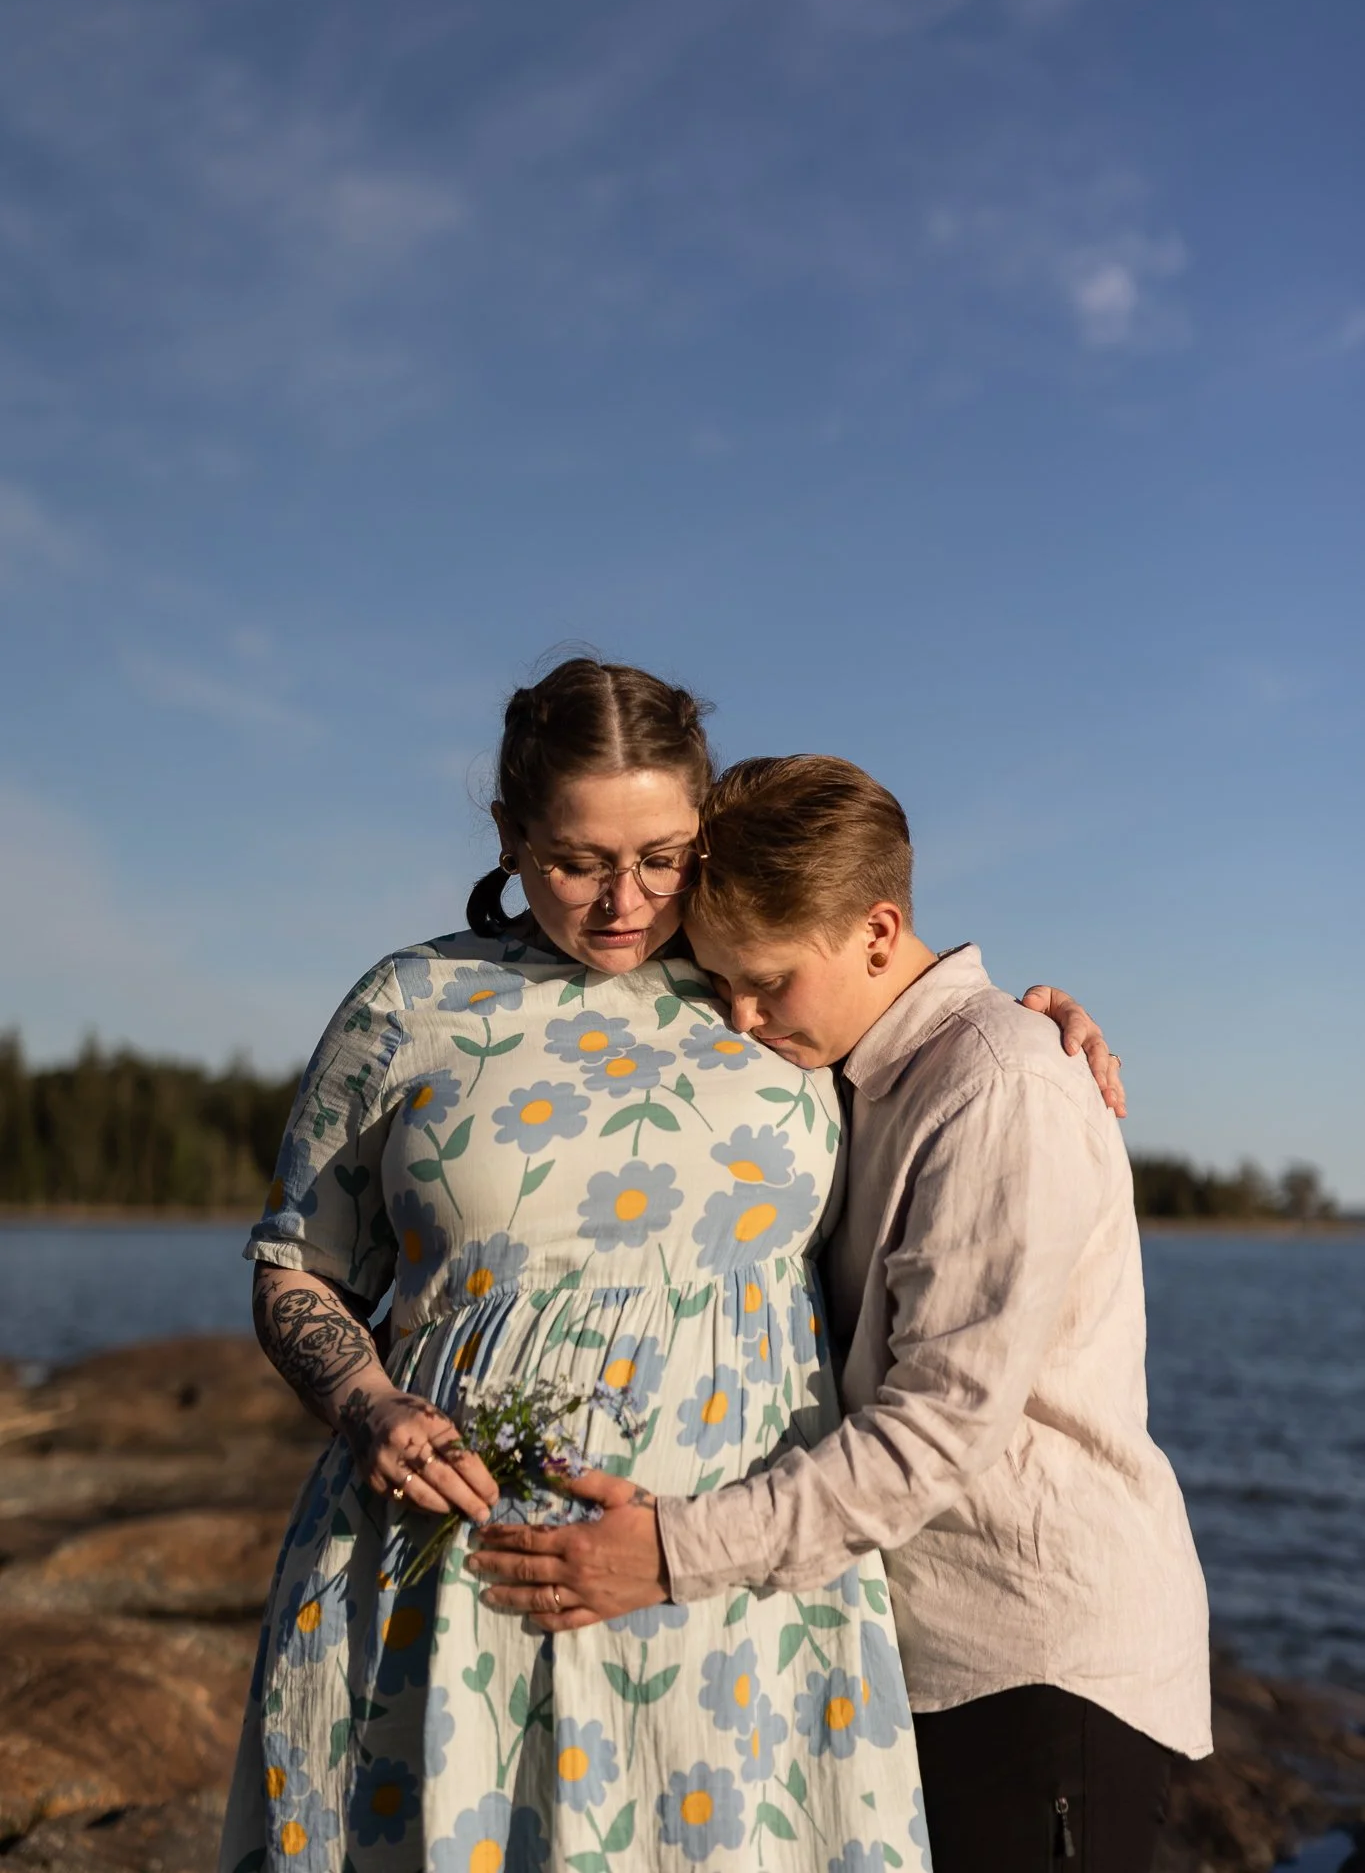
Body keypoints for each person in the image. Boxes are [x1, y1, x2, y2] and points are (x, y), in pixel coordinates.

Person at [219, 665, 1117, 1873]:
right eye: (577, 859)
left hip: (740, 1605)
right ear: (508, 835)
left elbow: (927, 1030)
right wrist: (366, 1398)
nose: (622, 902)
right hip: (446, 1594)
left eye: (663, 856)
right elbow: (296, 1265)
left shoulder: (760, 990)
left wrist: (1039, 1027)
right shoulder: (412, 1004)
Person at [469, 754, 1210, 1873]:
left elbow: (937, 1432)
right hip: (912, 1644)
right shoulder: (864, 1064)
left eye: (768, 981)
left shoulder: (1002, 1085)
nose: (743, 1016)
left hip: (1036, 1666)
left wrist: (668, 1553)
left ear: (878, 930)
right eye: (722, 983)